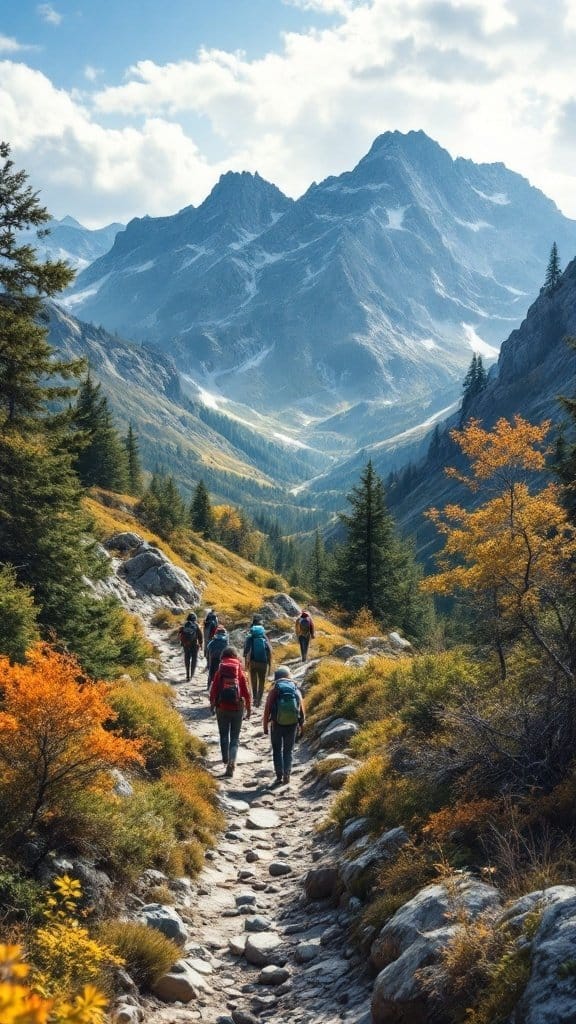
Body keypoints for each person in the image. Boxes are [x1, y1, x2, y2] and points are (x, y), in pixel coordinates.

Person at [210, 646, 251, 777]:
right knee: (234, 738)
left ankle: (225, 759)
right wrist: (249, 708)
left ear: (223, 656)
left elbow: (214, 689)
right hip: (237, 707)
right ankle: (232, 762)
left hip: (221, 706)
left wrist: (212, 704)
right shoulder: (239, 670)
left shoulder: (220, 670)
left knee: (223, 734)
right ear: (235, 656)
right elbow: (245, 691)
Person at [263, 666, 305, 785]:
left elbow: (267, 709)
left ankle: (279, 775)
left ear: (276, 678)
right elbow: (301, 710)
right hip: (292, 725)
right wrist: (302, 727)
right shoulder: (295, 689)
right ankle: (287, 773)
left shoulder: (275, 689)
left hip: (276, 724)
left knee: (277, 750)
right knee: (288, 750)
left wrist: (265, 726)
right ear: (288, 676)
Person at [243, 619, 272, 708]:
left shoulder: (250, 638)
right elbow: (270, 651)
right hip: (263, 663)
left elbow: (245, 652)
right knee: (262, 681)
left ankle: (254, 697)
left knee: (254, 680)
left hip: (253, 662)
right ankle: (259, 700)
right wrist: (269, 664)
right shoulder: (265, 638)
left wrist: (246, 663)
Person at [178, 612, 203, 681]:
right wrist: (201, 644)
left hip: (186, 645)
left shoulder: (185, 625)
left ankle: (187, 675)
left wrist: (182, 643)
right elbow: (200, 636)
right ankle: (192, 674)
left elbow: (180, 635)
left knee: (187, 658)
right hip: (194, 645)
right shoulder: (196, 625)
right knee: (194, 659)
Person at [206, 625, 229, 690]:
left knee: (211, 672)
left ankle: (208, 686)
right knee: (221, 672)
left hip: (213, 658)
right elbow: (227, 649)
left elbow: (208, 647)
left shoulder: (214, 639)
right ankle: (220, 686)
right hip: (222, 659)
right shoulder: (225, 640)